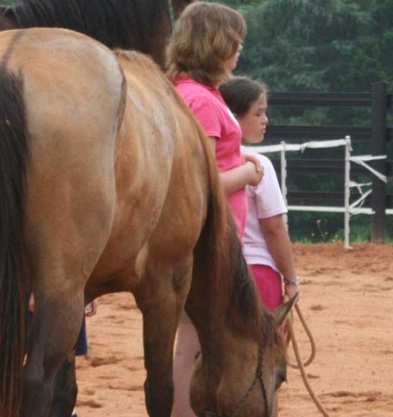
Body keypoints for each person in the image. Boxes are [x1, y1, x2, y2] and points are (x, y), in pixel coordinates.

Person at [165, 4, 260, 416]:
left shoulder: (192, 92)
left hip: (210, 237)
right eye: (232, 41)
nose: (238, 49)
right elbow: (200, 183)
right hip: (206, 239)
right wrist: (248, 173)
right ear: (213, 44)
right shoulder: (200, 101)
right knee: (192, 343)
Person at [220, 76, 301, 313]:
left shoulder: (204, 162)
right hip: (256, 270)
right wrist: (291, 280)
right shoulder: (259, 164)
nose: (265, 120)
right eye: (258, 114)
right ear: (234, 119)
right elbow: (274, 227)